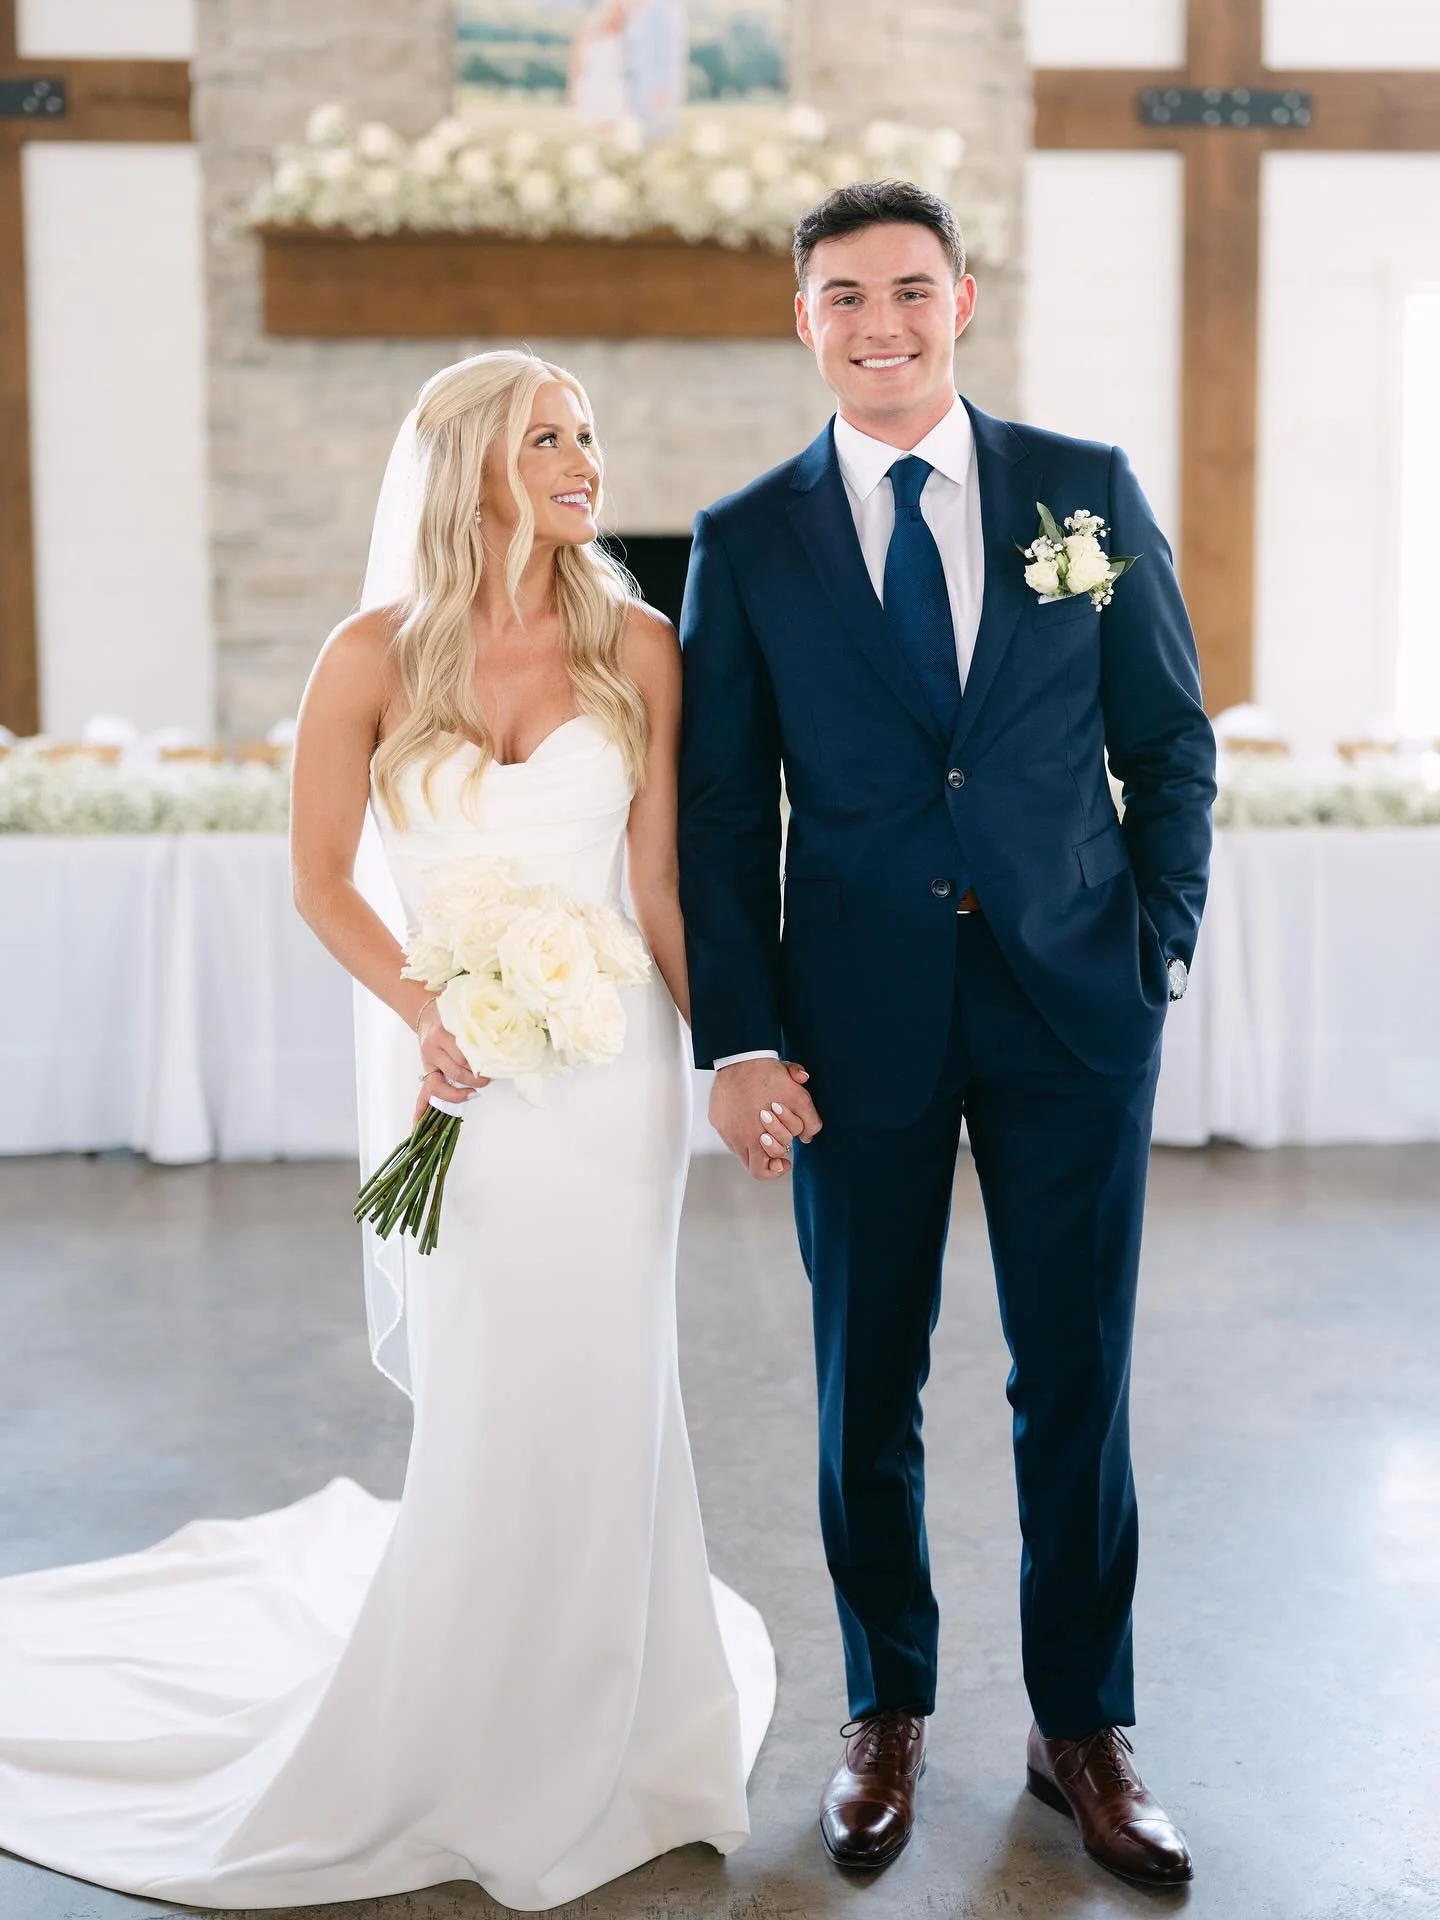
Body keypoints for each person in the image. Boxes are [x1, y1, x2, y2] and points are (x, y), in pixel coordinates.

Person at [0, 350, 775, 1911]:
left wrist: (731, 1057)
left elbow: (661, 887)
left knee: (613, 1379)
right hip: (463, 1079)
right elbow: (323, 878)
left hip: (610, 1080)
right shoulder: (368, 655)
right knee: (491, 1384)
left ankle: (616, 1724)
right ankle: (463, 1727)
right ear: (473, 462)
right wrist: (430, 1007)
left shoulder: (639, 646)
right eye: (547, 435)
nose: (583, 458)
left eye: (588, 433)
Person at [678, 180, 1215, 1889]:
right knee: (863, 1386)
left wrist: (1155, 952)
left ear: (964, 302)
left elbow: (1172, 744)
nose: (882, 324)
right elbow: (716, 820)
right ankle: (886, 1711)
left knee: (1078, 1377)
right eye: (846, 297)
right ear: (803, 319)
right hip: (855, 1025)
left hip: (1074, 1009)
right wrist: (743, 1035)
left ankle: (1085, 1728)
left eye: (911, 291)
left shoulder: (1086, 492)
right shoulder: (748, 539)